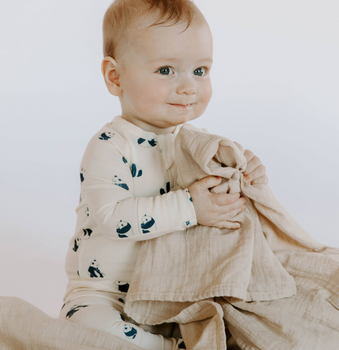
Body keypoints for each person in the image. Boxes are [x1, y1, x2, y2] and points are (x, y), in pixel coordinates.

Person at [59, 0, 268, 349]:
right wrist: (190, 206)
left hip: (173, 288)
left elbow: (223, 202)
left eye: (200, 71)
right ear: (115, 76)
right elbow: (112, 217)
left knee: (240, 316)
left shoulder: (196, 145)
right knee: (83, 326)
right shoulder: (110, 146)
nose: (189, 87)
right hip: (105, 294)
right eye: (167, 70)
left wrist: (246, 178)